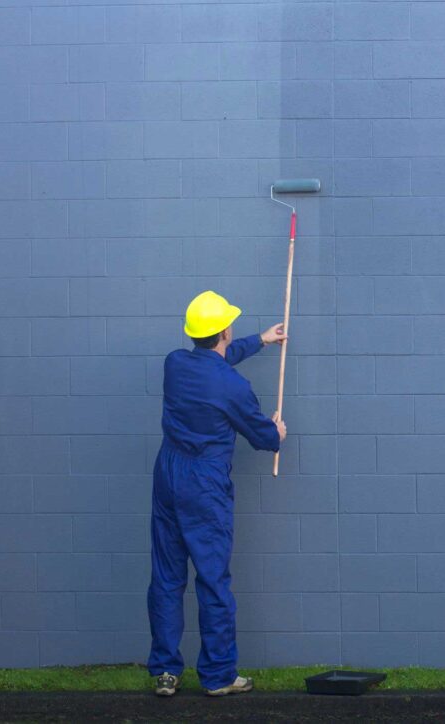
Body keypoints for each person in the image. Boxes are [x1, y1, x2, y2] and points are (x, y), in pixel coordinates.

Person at [147, 290, 287, 697]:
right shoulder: (233, 387)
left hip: (168, 475)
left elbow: (214, 362)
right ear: (225, 330)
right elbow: (263, 437)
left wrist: (260, 340)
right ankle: (219, 675)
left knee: (167, 578)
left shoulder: (174, 364)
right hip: (203, 485)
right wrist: (275, 433)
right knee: (211, 579)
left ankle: (165, 672)